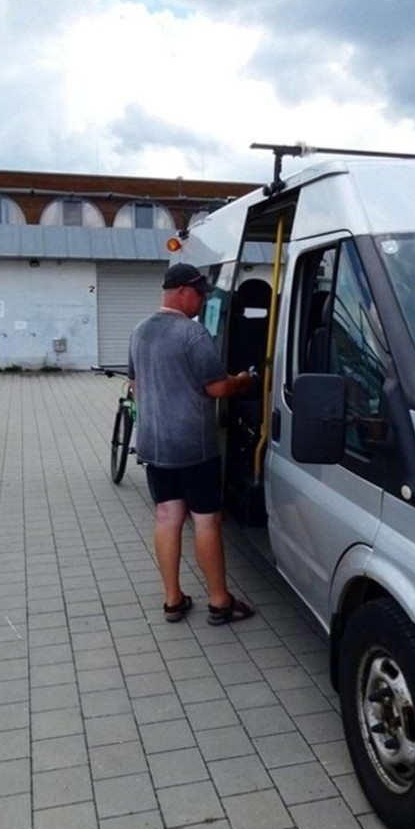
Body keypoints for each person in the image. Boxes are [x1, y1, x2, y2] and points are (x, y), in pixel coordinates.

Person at [128, 262, 257, 626]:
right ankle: (220, 602)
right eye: (200, 293)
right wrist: (243, 380)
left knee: (167, 517)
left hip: (154, 445)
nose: (202, 301)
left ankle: (173, 601)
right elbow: (217, 387)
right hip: (193, 447)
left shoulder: (139, 331)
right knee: (206, 520)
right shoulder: (192, 333)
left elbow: (135, 385)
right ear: (182, 291)